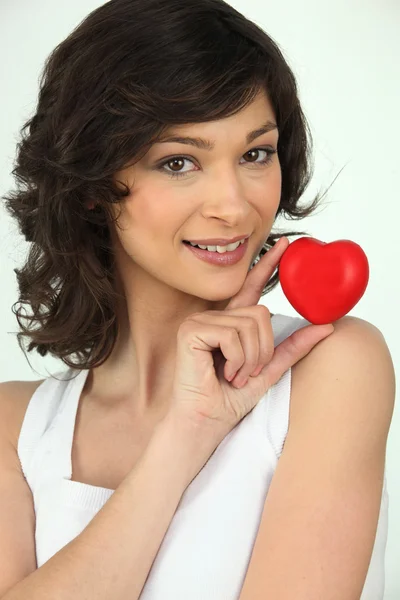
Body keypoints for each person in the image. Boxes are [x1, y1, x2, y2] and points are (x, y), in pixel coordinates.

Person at [0, 0, 395, 598]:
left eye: (255, 153)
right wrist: (185, 437)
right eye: (179, 161)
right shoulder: (14, 429)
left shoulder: (332, 366)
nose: (234, 206)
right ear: (91, 188)